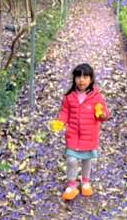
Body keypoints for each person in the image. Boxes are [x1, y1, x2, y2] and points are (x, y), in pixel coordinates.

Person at [49, 63, 110, 201]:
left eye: (85, 77)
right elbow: (64, 112)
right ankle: (72, 184)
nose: (81, 80)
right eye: (78, 77)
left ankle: (86, 181)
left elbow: (105, 114)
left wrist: (101, 114)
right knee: (71, 159)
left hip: (90, 135)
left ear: (91, 79)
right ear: (74, 78)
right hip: (73, 134)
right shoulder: (69, 96)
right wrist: (60, 122)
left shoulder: (97, 96)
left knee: (87, 159)